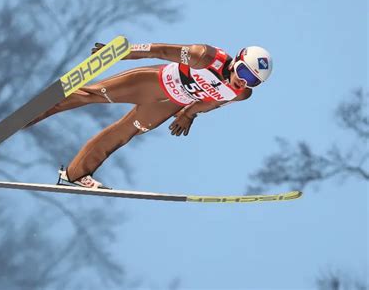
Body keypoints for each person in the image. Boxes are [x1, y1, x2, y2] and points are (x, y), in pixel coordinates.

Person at [24, 42, 273, 189]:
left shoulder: (240, 94)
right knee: (90, 95)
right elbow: (160, 51)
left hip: (168, 105)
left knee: (122, 134)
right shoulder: (204, 56)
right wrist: (118, 52)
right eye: (243, 71)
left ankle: (74, 175)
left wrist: (189, 115)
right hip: (151, 83)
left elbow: (211, 102)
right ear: (236, 61)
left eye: (253, 80)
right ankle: (30, 114)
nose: (243, 80)